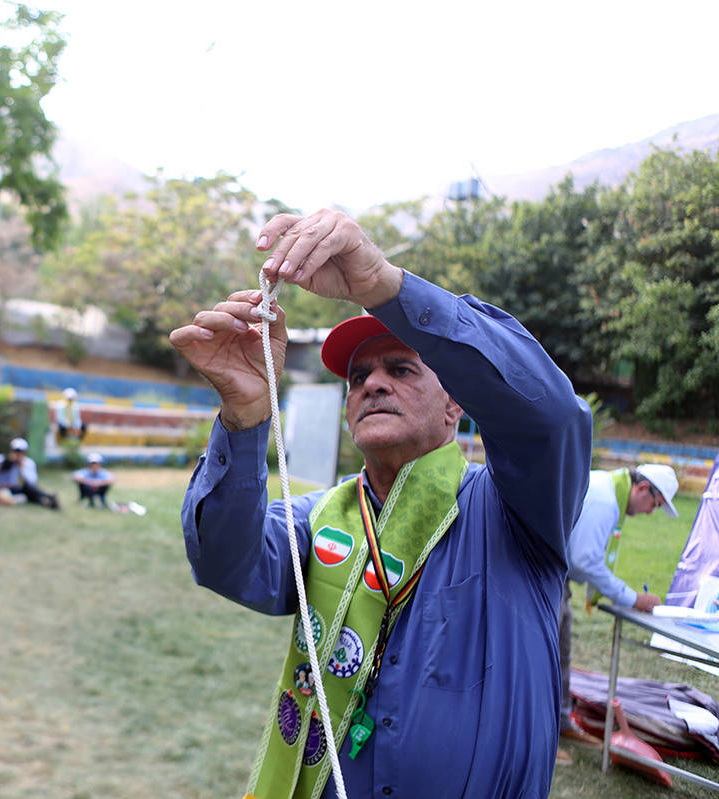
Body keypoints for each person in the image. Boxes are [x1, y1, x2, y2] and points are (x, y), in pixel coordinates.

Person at [169, 208, 592, 799]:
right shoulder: (319, 517)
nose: (372, 383)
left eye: (400, 368)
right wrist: (244, 419)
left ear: (456, 406)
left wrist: (385, 288)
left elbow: (551, 417)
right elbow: (223, 559)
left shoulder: (518, 510)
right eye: (358, 377)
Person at [557, 463, 679, 755]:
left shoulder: (609, 490)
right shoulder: (606, 499)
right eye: (655, 503)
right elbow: (585, 561)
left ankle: (561, 723)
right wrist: (631, 598)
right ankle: (543, 733)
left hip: (556, 577)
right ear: (641, 488)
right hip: (545, 574)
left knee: (560, 650)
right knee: (547, 654)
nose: (651, 512)